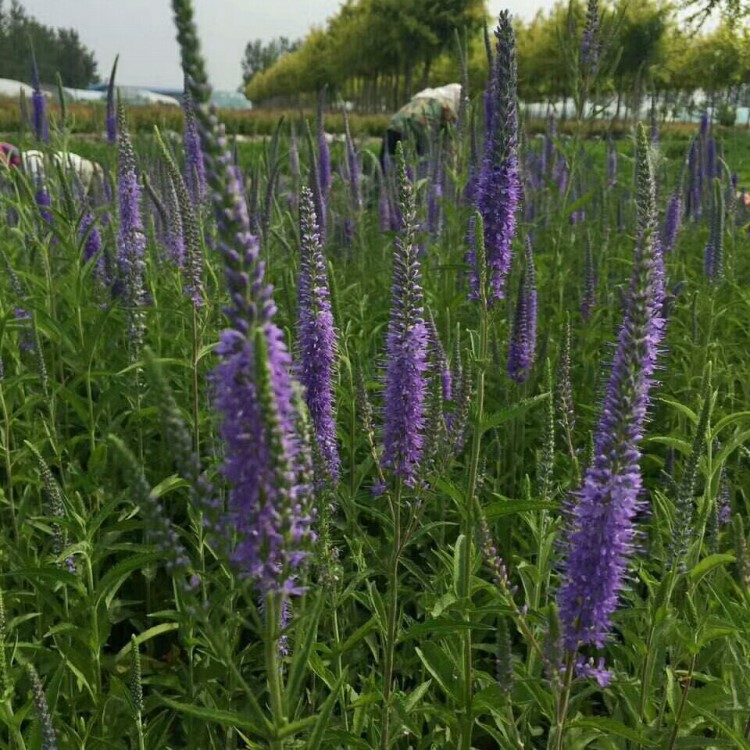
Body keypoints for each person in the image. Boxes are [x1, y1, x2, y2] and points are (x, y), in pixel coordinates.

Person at [380, 83, 462, 170]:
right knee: (410, 167)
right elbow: (443, 135)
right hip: (412, 132)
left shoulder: (427, 96)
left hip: (394, 127)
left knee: (387, 165)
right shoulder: (445, 105)